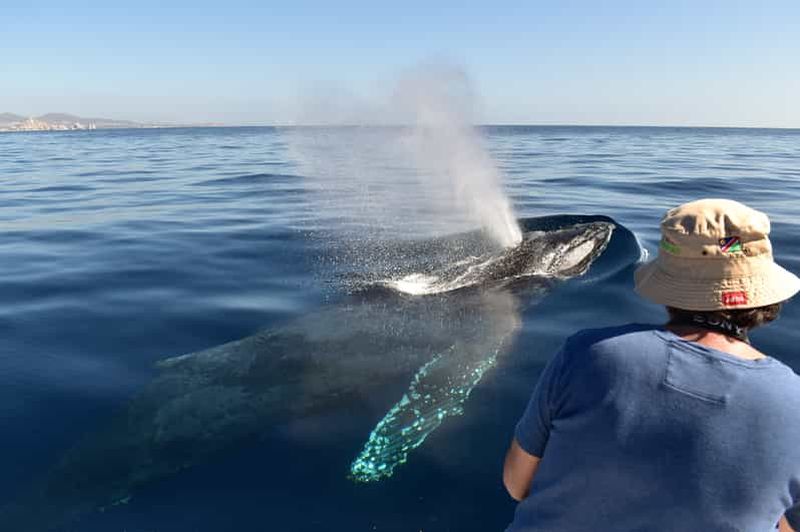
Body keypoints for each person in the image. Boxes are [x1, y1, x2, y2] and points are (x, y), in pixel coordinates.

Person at [503, 198, 800, 532]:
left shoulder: (588, 353)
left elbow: (517, 485)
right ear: (765, 295)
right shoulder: (794, 402)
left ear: (669, 284)